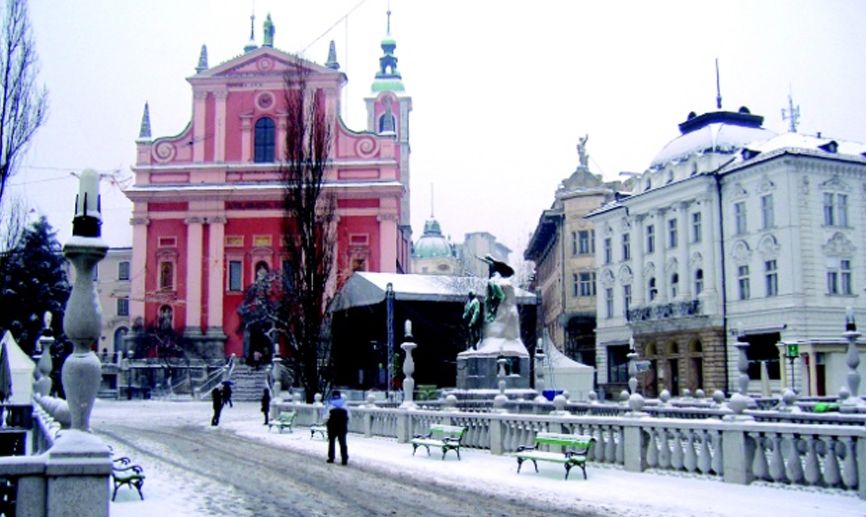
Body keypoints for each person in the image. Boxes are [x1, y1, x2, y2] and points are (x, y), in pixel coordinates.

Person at [323, 390, 349, 465]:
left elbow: (325, 416)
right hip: (342, 426)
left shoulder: (330, 404)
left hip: (332, 426)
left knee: (331, 442)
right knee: (343, 442)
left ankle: (331, 457)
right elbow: (349, 416)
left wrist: (325, 422)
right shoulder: (344, 404)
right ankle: (344, 458)